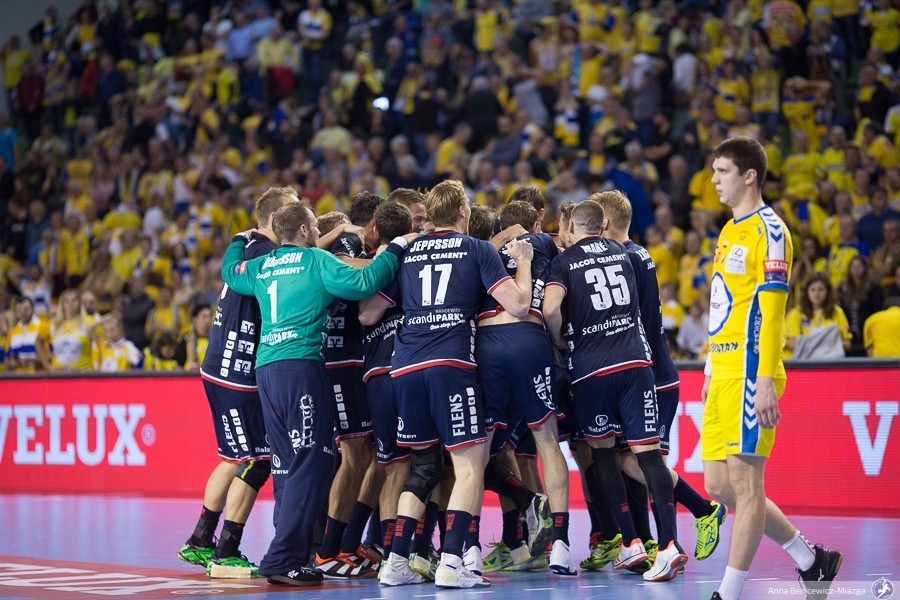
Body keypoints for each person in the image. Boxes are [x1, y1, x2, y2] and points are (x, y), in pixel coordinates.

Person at [221, 201, 415, 587]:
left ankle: (291, 556)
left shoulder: (261, 266)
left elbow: (230, 271)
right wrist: (396, 248)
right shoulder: (315, 261)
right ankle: (281, 558)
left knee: (285, 464)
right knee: (312, 462)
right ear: (305, 230)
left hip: (267, 370)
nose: (317, 231)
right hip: (301, 368)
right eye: (314, 225)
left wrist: (239, 240)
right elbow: (364, 283)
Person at [703, 137, 841, 600]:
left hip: (749, 371)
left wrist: (764, 380)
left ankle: (727, 593)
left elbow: (773, 314)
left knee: (747, 487)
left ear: (749, 176)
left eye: (722, 171)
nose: (713, 180)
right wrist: (709, 367)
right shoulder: (728, 230)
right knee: (719, 485)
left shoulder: (771, 230)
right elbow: (723, 302)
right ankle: (812, 560)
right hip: (722, 369)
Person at [379, 179, 535, 589]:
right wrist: (523, 262)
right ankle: (452, 563)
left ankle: (395, 562)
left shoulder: (408, 251)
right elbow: (519, 304)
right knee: (468, 466)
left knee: (422, 468)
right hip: (450, 365)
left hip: (404, 367)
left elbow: (370, 311)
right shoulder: (477, 249)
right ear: (463, 211)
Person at [543, 200, 687, 583]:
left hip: (592, 371)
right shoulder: (625, 252)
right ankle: (669, 545)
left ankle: (630, 542)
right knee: (649, 457)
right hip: (636, 364)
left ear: (571, 227)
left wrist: (560, 341)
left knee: (603, 453)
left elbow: (551, 309)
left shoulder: (564, 261)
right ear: (604, 224)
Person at [594, 189, 727, 564]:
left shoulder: (621, 259)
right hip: (650, 368)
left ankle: (700, 514)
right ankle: (662, 544)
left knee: (645, 464)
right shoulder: (639, 253)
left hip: (649, 373)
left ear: (605, 223)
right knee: (636, 462)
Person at [180, 187, 299, 578]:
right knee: (256, 460)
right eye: (294, 209)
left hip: (219, 365)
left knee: (233, 456)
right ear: (276, 218)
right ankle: (226, 550)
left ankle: (201, 540)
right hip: (239, 371)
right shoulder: (271, 255)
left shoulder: (246, 245)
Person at [474, 199, 574, 575]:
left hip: (489, 342)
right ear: (536, 223)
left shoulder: (478, 249)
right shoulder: (546, 243)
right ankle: (560, 544)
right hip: (531, 339)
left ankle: (467, 551)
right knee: (547, 441)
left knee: (478, 454)